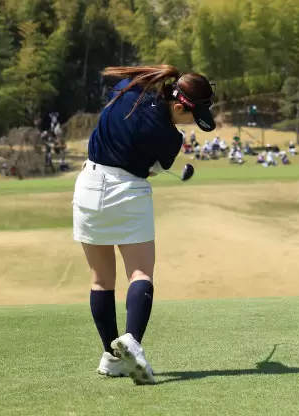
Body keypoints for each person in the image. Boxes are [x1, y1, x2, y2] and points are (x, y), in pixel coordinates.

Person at [73, 64, 216, 385]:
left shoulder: (130, 90)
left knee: (100, 280)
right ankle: (132, 342)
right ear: (180, 106)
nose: (191, 122)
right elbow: (151, 168)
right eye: (193, 115)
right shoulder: (170, 137)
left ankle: (111, 358)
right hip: (128, 192)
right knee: (140, 273)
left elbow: (121, 91)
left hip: (88, 186)